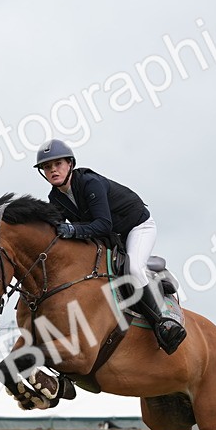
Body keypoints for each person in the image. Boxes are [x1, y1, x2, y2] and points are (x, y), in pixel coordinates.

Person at [33, 139, 185, 354]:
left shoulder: (89, 183)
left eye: (57, 164)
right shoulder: (55, 198)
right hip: (112, 238)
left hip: (137, 227)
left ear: (70, 164)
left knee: (133, 268)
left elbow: (103, 225)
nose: (53, 170)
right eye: (47, 167)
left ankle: (163, 323)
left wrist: (73, 230)